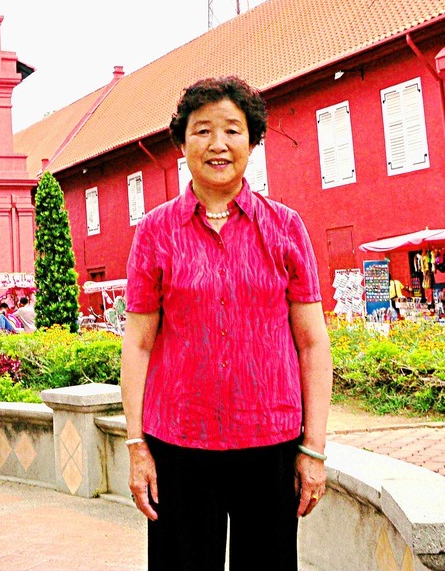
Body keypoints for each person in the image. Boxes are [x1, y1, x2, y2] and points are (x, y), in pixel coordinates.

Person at [121, 76, 332, 570]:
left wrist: (314, 449)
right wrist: (136, 446)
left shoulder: (285, 227)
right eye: (202, 130)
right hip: (179, 443)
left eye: (233, 130)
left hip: (271, 441)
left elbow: (312, 343)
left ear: (252, 142)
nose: (218, 144)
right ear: (182, 144)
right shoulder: (155, 232)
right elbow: (138, 344)